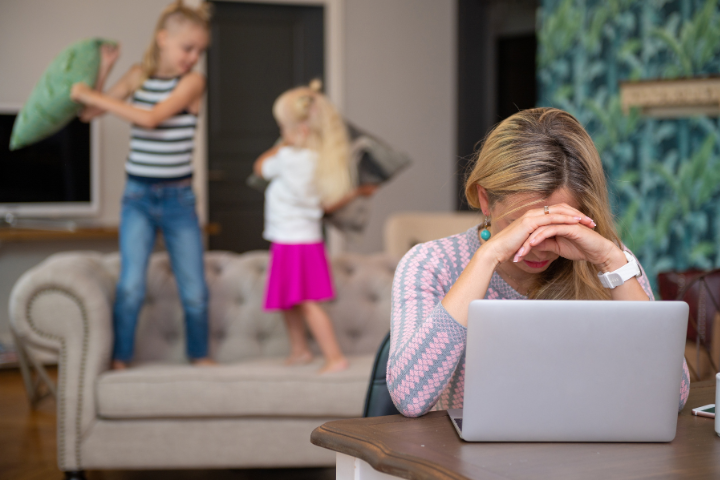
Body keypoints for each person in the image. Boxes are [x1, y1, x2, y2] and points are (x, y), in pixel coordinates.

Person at [387, 108, 690, 417]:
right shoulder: (431, 264)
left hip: (590, 450)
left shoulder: (611, 263)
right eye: (521, 227)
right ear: (485, 200)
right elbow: (410, 397)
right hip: (470, 459)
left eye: (555, 228)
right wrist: (488, 256)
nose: (538, 248)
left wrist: (612, 260)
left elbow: (673, 394)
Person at [70, 0, 213, 369]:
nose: (193, 56)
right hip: (137, 196)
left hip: (179, 199)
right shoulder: (137, 75)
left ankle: (200, 356)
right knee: (131, 285)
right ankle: (120, 358)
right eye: (188, 48)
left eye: (199, 50)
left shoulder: (193, 82)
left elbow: (150, 119)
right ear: (163, 39)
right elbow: (90, 113)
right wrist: (105, 71)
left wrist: (89, 93)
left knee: (194, 291)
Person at [254, 81, 374, 374]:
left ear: (299, 131)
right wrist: (357, 193)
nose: (280, 135)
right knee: (289, 301)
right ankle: (300, 350)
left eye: (283, 128)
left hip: (292, 242)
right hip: (301, 240)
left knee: (305, 302)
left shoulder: (286, 158)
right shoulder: (320, 162)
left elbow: (259, 167)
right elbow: (326, 206)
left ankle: (335, 357)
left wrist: (282, 144)